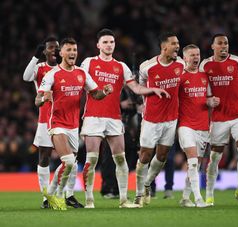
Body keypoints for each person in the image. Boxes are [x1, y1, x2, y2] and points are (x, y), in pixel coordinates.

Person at [80, 28, 169, 209]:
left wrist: (153, 90)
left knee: (120, 159)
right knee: (92, 159)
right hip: (93, 116)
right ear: (98, 45)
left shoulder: (121, 66)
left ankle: (123, 200)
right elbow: (82, 84)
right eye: (105, 42)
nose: (108, 45)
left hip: (114, 118)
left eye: (111, 42)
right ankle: (89, 199)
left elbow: (135, 88)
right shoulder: (88, 63)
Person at [35, 37, 113, 210]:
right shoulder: (52, 74)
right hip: (56, 124)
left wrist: (105, 92)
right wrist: (43, 99)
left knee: (70, 163)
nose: (72, 53)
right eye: (69, 50)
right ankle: (58, 198)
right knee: (69, 162)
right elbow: (37, 99)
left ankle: (50, 195)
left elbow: (95, 94)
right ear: (61, 52)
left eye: (75, 50)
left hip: (73, 126)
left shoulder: (82, 73)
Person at [23, 37, 82, 208]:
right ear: (45, 51)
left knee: (72, 158)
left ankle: (69, 195)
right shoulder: (41, 68)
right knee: (44, 157)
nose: (54, 51)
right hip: (45, 119)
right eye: (50, 48)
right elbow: (26, 77)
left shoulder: (65, 69)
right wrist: (35, 56)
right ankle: (45, 197)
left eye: (57, 48)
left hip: (67, 119)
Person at [199, 34, 238, 206]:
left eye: (226, 43)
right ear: (212, 46)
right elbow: (201, 89)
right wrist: (208, 101)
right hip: (219, 117)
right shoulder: (205, 65)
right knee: (214, 157)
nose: (224, 46)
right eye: (220, 43)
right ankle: (210, 194)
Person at [134, 32, 184, 207]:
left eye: (178, 43)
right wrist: (147, 100)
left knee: (162, 155)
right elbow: (140, 87)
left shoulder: (181, 64)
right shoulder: (147, 67)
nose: (178, 46)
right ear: (164, 47)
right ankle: (139, 193)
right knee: (145, 155)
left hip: (171, 119)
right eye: (174, 44)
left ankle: (147, 183)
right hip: (151, 119)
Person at [178, 44, 220, 208]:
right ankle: (198, 199)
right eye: (192, 55)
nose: (195, 57)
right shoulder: (180, 77)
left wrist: (211, 102)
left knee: (195, 164)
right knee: (193, 162)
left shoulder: (204, 77)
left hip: (203, 126)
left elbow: (208, 99)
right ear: (185, 58)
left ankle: (185, 197)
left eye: (197, 54)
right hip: (186, 125)